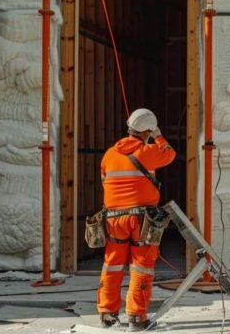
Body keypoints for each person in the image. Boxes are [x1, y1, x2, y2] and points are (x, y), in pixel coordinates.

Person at [96, 108, 176, 330]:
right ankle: (136, 318)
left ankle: (107, 314)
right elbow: (169, 154)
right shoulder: (148, 151)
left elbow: (104, 181)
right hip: (141, 219)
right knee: (141, 266)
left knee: (112, 265)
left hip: (113, 219)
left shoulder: (110, 154)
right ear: (147, 130)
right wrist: (158, 135)